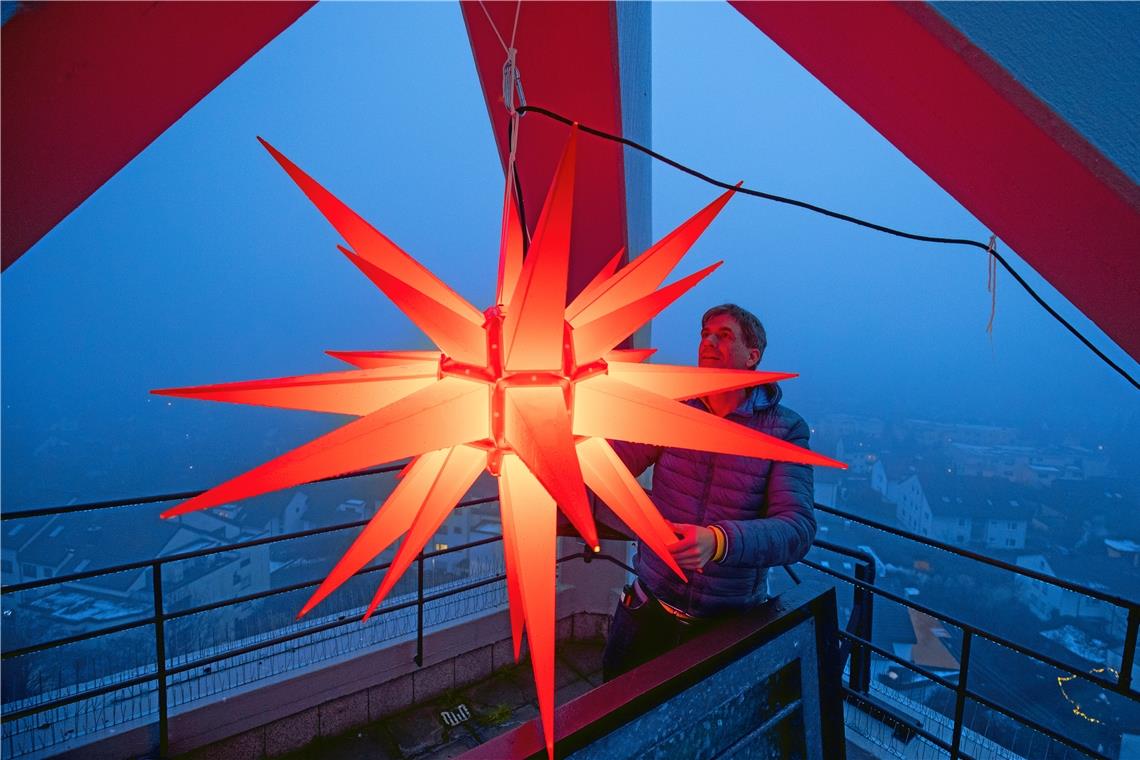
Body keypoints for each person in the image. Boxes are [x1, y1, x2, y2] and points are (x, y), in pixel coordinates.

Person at [600, 303, 816, 681]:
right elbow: (612, 462)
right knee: (612, 720)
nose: (708, 341)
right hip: (648, 607)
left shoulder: (784, 430)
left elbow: (797, 529)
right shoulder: (673, 412)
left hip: (725, 623)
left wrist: (718, 542)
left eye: (724, 334)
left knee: (696, 733)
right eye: (704, 334)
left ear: (753, 356)